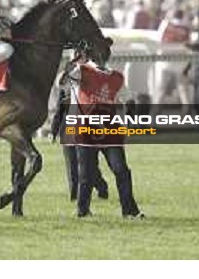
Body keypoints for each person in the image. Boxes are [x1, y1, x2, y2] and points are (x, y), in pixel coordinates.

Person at [57, 47, 143, 219]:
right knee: (86, 174)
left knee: (121, 170)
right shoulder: (82, 70)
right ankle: (83, 210)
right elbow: (62, 82)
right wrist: (71, 65)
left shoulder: (116, 77)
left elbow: (128, 99)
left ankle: (130, 211)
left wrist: (129, 118)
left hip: (110, 130)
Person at [51, 53, 109, 202]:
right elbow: (60, 107)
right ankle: (74, 196)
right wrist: (54, 129)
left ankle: (101, 185)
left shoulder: (92, 75)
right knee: (71, 163)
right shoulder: (67, 80)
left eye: (80, 56)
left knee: (89, 165)